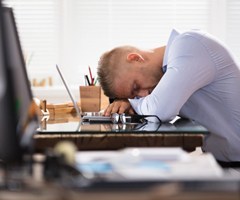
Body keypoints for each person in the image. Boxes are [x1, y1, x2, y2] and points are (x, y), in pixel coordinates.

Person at [97, 29, 240, 164]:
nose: (144, 94)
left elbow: (159, 111)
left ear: (136, 58)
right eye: (135, 96)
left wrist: (131, 103)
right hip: (222, 162)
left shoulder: (188, 45)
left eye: (136, 86)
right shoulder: (173, 64)